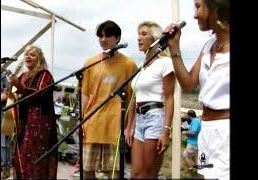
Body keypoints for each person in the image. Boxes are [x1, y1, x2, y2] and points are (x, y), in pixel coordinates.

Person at [165, 0, 230, 179]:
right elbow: (187, 84)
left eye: (198, 6)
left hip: (226, 132)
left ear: (216, 8)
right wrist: (174, 48)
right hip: (207, 131)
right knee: (205, 174)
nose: (194, 14)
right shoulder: (209, 45)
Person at [81, 20, 137, 179]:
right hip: (92, 122)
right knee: (87, 168)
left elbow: (132, 98)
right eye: (100, 36)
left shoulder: (129, 64)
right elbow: (85, 94)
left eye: (107, 36)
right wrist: (82, 119)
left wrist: (129, 126)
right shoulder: (90, 62)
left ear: (118, 38)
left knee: (115, 171)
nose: (103, 39)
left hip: (116, 124)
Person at [124, 21, 176, 179]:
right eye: (138, 34)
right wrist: (129, 126)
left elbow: (169, 97)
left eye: (144, 34)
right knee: (135, 174)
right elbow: (134, 98)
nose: (139, 38)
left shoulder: (165, 63)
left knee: (148, 174)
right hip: (139, 120)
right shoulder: (141, 67)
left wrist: (166, 131)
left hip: (155, 117)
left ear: (156, 38)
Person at [6, 45, 58, 179]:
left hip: (39, 125)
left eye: (32, 54)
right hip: (23, 123)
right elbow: (14, 96)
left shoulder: (45, 75)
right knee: (20, 157)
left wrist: (19, 86)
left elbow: (39, 94)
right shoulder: (22, 75)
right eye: (26, 54)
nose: (28, 56)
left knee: (35, 160)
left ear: (39, 59)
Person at [1, 71, 12, 178]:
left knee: (4, 144)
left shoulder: (6, 75)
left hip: (6, 115)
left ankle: (6, 169)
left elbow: (6, 96)